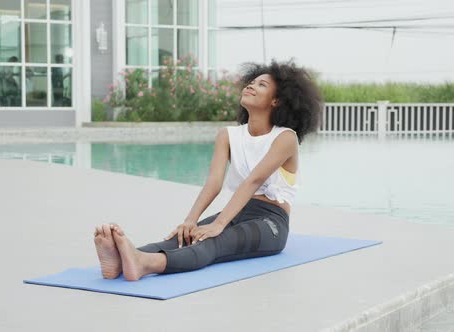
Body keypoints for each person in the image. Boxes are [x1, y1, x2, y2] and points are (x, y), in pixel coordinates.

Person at [93, 59, 322, 281]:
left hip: (271, 221)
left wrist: (219, 224)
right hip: (238, 211)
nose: (250, 85)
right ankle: (122, 259)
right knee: (182, 238)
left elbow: (253, 181)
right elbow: (214, 183)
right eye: (251, 82)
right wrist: (190, 220)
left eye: (261, 84)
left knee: (213, 243)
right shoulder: (227, 135)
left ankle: (145, 264)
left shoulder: (285, 138)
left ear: (276, 101)